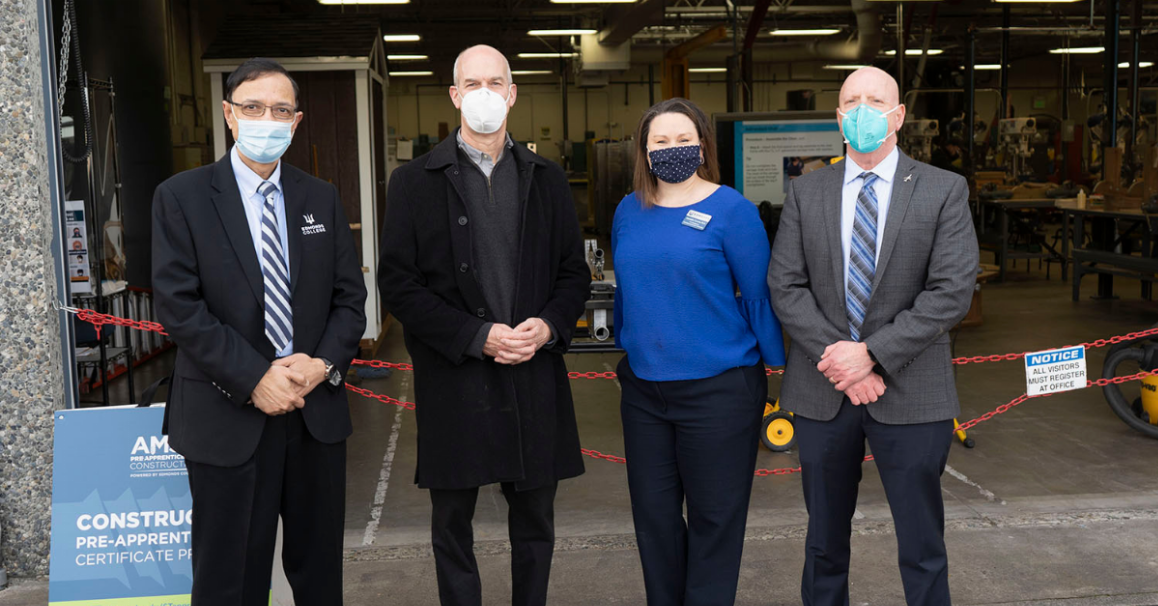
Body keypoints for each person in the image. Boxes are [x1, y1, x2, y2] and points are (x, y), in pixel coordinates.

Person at [377, 45, 590, 606]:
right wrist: (477, 336)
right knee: (452, 525)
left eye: (496, 82)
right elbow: (399, 285)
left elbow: (573, 273)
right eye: (472, 84)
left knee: (536, 523)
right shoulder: (414, 183)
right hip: (456, 378)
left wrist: (546, 327)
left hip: (532, 370)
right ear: (454, 96)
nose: (485, 94)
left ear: (513, 93)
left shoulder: (547, 179)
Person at [151, 57, 367, 605]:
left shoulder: (321, 197)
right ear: (229, 114)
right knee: (230, 580)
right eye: (252, 107)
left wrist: (321, 365)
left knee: (319, 576)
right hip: (227, 416)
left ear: (296, 122)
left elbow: (350, 300)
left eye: (279, 109)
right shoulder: (182, 197)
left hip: (313, 412)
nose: (265, 118)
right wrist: (255, 378)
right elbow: (180, 308)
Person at [768, 66, 978, 606]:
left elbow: (951, 290)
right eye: (851, 101)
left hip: (912, 392)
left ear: (899, 115)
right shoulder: (805, 191)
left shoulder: (942, 189)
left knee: (923, 543)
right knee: (823, 545)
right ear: (839, 118)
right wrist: (841, 360)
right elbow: (785, 285)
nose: (862, 109)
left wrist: (873, 356)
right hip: (823, 390)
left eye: (875, 100)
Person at [611, 97, 787, 606]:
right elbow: (627, 289)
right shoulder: (629, 209)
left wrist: (775, 362)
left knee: (714, 521)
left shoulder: (731, 210)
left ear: (702, 146)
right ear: (644, 152)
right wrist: (630, 341)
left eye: (683, 139)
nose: (672, 149)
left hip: (720, 392)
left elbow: (756, 294)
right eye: (660, 141)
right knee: (655, 520)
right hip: (644, 391)